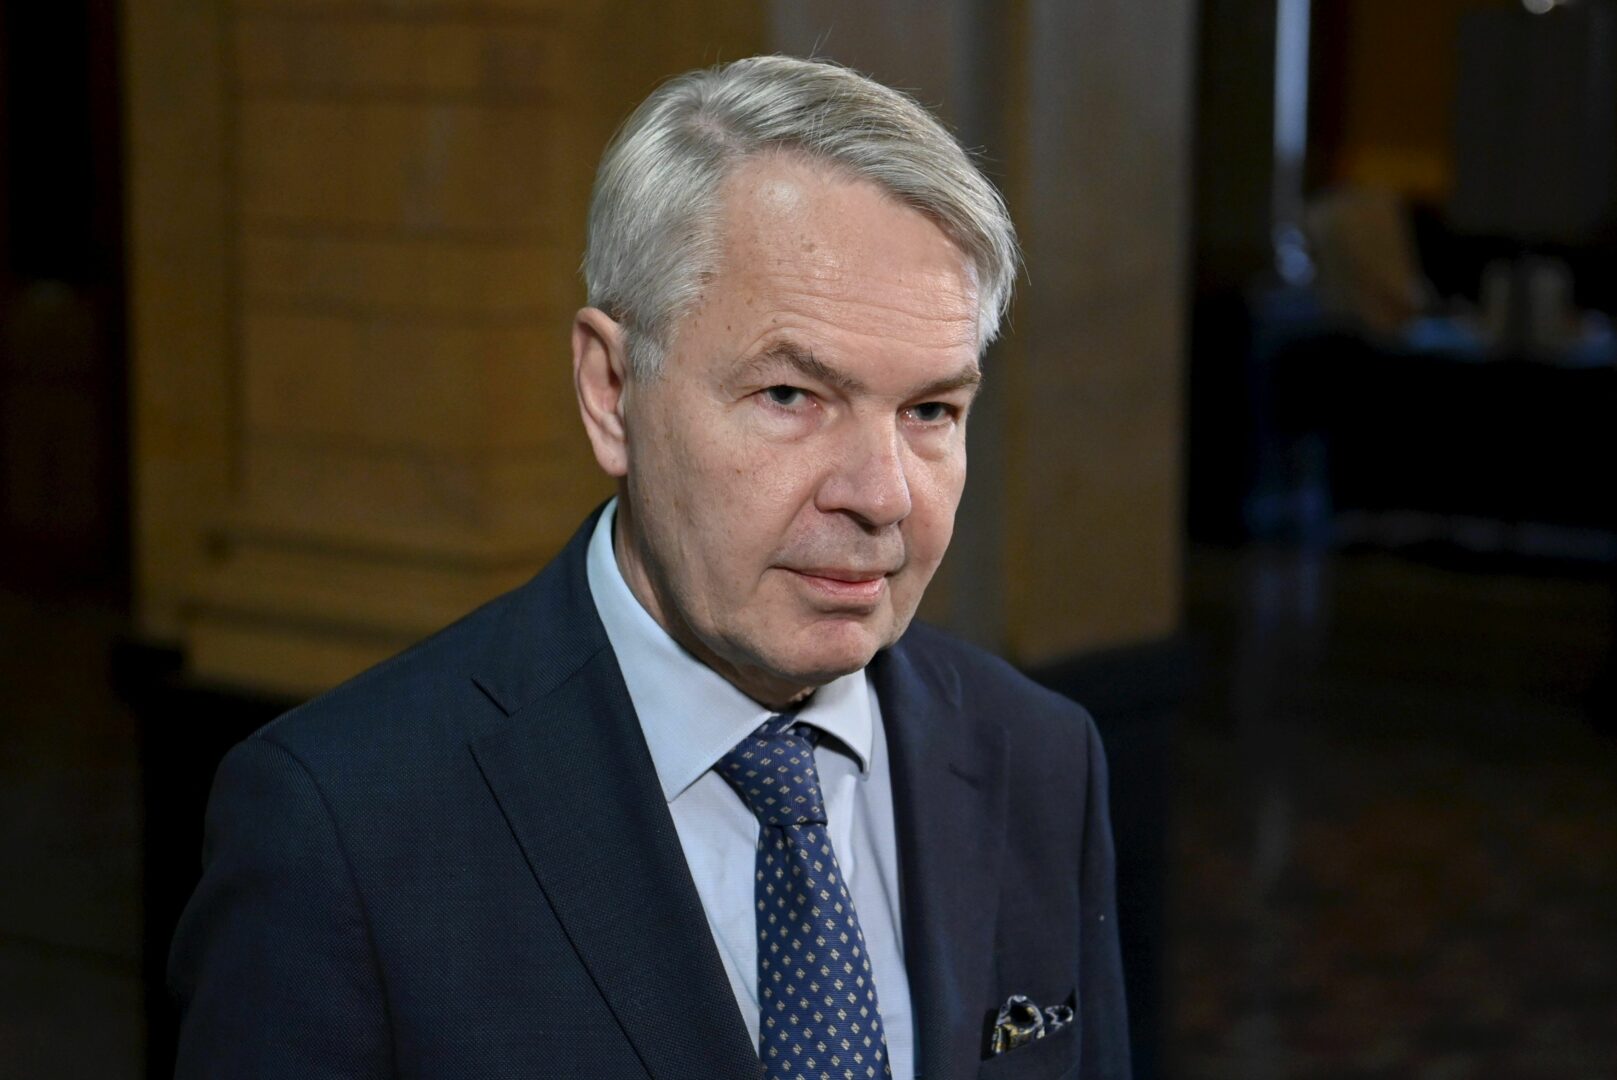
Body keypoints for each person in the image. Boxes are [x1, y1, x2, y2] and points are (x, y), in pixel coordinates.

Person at [169, 54, 1130, 1080]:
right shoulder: (344, 827)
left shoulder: (1040, 757)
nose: (883, 494)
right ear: (611, 390)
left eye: (930, 410)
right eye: (791, 396)